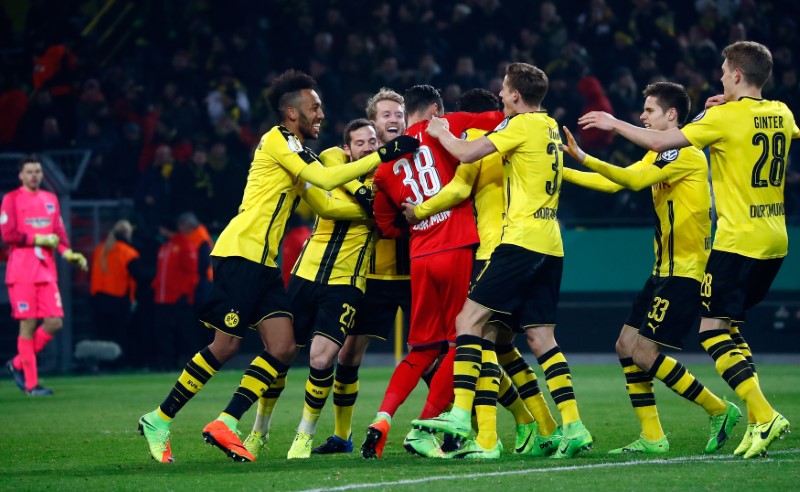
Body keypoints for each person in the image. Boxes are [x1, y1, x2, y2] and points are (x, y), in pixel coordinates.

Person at [136, 69, 416, 463]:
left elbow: (324, 203)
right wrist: (383, 156)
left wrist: (367, 212)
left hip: (266, 265)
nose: (320, 113)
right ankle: (161, 418)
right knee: (226, 345)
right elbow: (324, 176)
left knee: (283, 347)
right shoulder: (277, 139)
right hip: (241, 252)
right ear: (290, 112)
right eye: (314, 107)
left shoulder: (296, 150)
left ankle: (228, 422)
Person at [578, 40, 796, 459]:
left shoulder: (703, 135)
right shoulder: (782, 112)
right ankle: (748, 419)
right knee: (657, 341)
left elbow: (663, 148)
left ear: (735, 74)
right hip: (775, 239)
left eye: (723, 70)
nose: (718, 76)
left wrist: (614, 122)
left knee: (711, 333)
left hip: (728, 245)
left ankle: (755, 413)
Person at [411, 63, 593, 459]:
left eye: (505, 89)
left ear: (513, 95)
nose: (501, 95)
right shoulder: (548, 126)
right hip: (551, 244)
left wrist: (440, 131)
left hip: (518, 242)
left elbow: (465, 153)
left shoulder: (517, 127)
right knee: (541, 338)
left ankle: (461, 417)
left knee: (469, 322)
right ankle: (572, 425)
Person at [562, 81, 741, 454]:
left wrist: (591, 150)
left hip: (685, 272)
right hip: (663, 270)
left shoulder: (685, 152)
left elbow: (633, 180)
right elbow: (616, 184)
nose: (642, 116)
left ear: (671, 116)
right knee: (626, 346)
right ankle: (653, 437)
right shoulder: (662, 155)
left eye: (649, 111)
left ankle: (719, 408)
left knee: (644, 352)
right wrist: (566, 169)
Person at [363, 84, 503, 459]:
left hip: (420, 256)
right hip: (456, 245)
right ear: (435, 108)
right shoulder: (441, 126)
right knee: (463, 340)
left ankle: (382, 418)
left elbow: (384, 224)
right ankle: (425, 428)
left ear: (405, 115)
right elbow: (493, 118)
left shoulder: (382, 168)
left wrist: (413, 225)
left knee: (422, 348)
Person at [311, 88, 413, 456]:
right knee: (347, 355)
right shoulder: (362, 158)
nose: (393, 119)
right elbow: (327, 156)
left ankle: (446, 426)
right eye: (385, 114)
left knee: (435, 353)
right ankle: (341, 435)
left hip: (417, 274)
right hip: (373, 276)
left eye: (398, 113)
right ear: (373, 122)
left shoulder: (418, 153)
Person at [275, 119, 380, 459]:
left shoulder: (386, 181)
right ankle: (258, 430)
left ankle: (304, 434)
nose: (368, 146)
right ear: (348, 149)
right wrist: (363, 202)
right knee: (280, 353)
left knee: (322, 358)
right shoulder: (332, 164)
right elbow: (329, 183)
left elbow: (383, 213)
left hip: (346, 282)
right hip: (306, 274)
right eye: (360, 142)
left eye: (373, 141)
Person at [1, 156, 87, 396]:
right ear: (21, 175)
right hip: (22, 271)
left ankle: (17, 363)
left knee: (55, 322)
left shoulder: (51, 199)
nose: (34, 176)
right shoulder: (11, 199)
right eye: (29, 172)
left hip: (46, 271)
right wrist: (37, 239)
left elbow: (58, 232)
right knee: (27, 324)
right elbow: (8, 234)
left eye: (37, 171)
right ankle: (31, 384)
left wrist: (68, 253)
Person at [89, 219, 146, 367]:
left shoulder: (100, 249)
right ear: (127, 234)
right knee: (119, 334)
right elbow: (139, 275)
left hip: (97, 298)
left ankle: (102, 364)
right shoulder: (128, 252)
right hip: (118, 298)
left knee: (102, 334)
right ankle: (119, 363)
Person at [150, 216, 199, 371]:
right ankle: (167, 362)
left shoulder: (184, 244)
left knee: (182, 332)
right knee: (162, 332)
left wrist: (185, 293)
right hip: (162, 298)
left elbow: (192, 273)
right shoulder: (165, 246)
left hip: (177, 298)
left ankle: (188, 362)